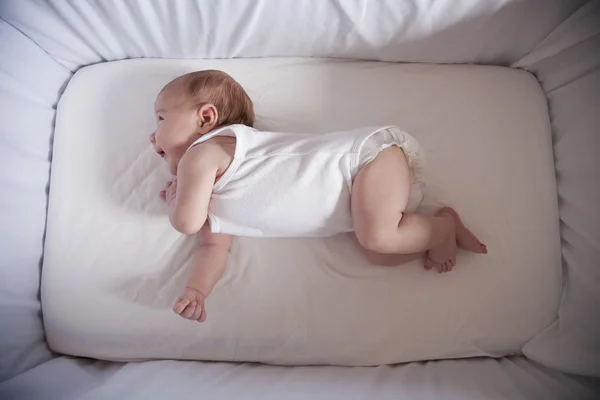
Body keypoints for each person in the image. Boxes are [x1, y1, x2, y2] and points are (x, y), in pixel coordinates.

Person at [150, 70, 487, 322]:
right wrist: (197, 290)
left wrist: (176, 199)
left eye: (161, 119)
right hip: (368, 203)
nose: (153, 138)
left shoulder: (206, 151)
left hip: (364, 161)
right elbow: (211, 247)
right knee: (379, 252)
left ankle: (441, 232)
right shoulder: (211, 198)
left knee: (378, 237)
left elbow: (186, 222)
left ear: (206, 118)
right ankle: (439, 224)